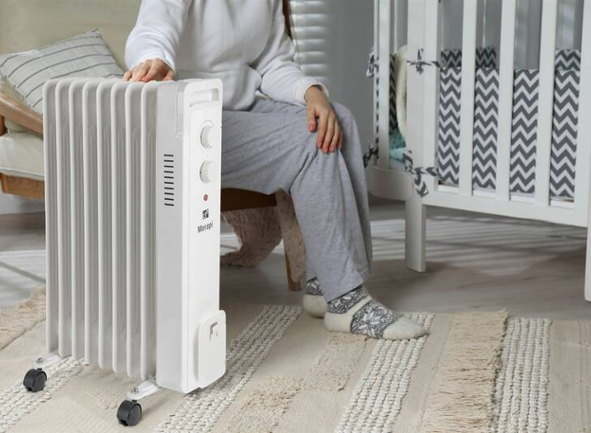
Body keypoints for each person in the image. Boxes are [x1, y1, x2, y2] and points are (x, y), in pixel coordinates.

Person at [124, 0, 425, 340]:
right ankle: (346, 300)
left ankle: (323, 284)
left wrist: (312, 93)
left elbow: (272, 63)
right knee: (310, 140)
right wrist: (155, 60)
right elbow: (152, 30)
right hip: (190, 118)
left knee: (338, 120)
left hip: (239, 108)